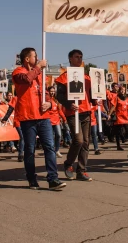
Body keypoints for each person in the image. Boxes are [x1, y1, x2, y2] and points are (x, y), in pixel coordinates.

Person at [13, 48, 66, 190]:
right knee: (30, 149)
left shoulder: (40, 75)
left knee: (49, 147)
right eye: (34, 56)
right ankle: (31, 178)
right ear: (26, 59)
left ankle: (53, 179)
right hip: (27, 117)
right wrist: (38, 68)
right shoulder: (18, 72)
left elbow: (46, 94)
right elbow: (26, 79)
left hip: (43, 117)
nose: (37, 59)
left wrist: (49, 103)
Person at [56, 49, 94, 182]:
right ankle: (68, 163)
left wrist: (97, 100)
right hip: (73, 113)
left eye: (81, 57)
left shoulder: (87, 77)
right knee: (78, 140)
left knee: (86, 143)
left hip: (86, 112)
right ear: (70, 59)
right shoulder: (64, 77)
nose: (79, 59)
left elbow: (92, 95)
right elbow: (59, 96)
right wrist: (69, 104)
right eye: (77, 57)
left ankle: (81, 170)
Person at [110, 85, 128, 150]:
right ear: (119, 91)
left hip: (125, 117)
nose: (123, 91)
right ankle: (118, 146)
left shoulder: (127, 98)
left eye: (124, 90)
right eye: (121, 90)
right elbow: (113, 106)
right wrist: (109, 114)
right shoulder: (117, 98)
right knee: (118, 132)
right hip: (119, 117)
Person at [48, 86, 66, 158]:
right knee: (51, 137)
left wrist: (64, 119)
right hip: (49, 121)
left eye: (53, 91)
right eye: (51, 91)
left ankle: (57, 150)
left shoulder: (56, 100)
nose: (52, 92)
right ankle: (52, 151)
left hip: (57, 121)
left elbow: (60, 110)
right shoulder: (46, 100)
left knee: (58, 135)